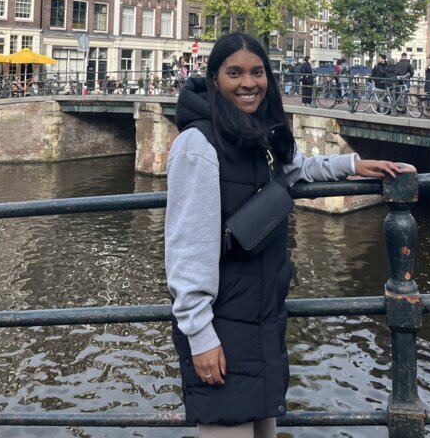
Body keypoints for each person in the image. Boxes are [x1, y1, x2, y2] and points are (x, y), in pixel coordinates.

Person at [164, 31, 403, 437]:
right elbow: (187, 248)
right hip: (223, 323)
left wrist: (353, 164)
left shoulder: (259, 133)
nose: (248, 83)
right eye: (234, 73)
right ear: (214, 78)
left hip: (262, 316)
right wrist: (200, 337)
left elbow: (298, 168)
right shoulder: (196, 146)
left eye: (257, 72)